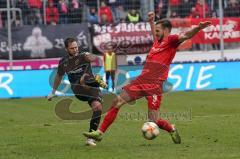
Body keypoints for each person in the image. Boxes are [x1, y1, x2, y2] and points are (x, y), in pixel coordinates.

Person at [83, 12, 211, 143]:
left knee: (153, 119)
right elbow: (154, 33)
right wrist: (151, 21)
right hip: (141, 80)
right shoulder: (157, 42)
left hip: (155, 85)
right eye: (155, 30)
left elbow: (186, 35)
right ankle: (100, 132)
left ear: (166, 30)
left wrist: (198, 28)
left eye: (158, 30)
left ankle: (171, 129)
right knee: (117, 101)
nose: (155, 32)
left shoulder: (171, 40)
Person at [47, 37, 107, 146]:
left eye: (76, 47)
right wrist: (53, 91)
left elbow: (91, 57)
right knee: (83, 78)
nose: (75, 50)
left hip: (91, 87)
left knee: (98, 107)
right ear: (66, 49)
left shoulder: (83, 55)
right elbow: (58, 76)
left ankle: (90, 137)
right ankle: (98, 81)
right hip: (78, 88)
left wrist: (91, 57)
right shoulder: (64, 62)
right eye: (72, 48)